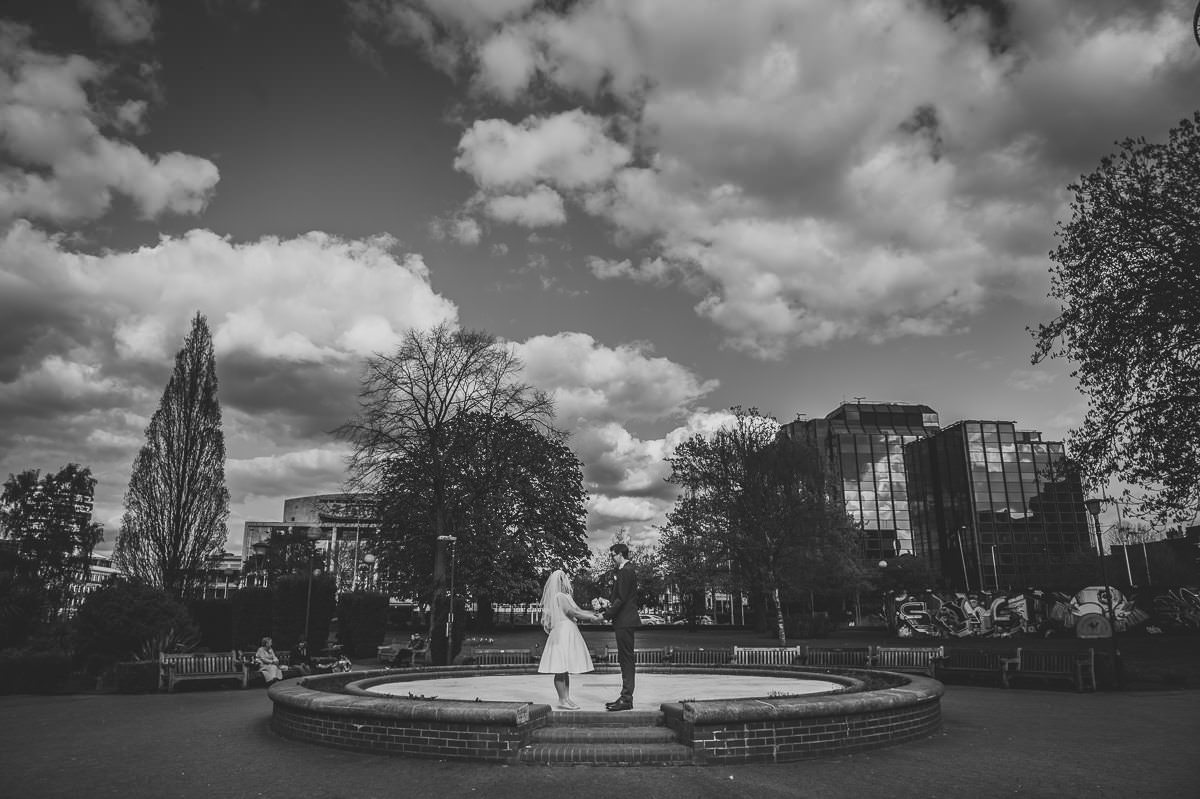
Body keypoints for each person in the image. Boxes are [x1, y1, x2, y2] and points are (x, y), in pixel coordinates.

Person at [537, 569, 603, 710]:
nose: (568, 581)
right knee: (560, 668)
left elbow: (579, 610)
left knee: (565, 669)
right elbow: (572, 612)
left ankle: (566, 698)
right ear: (561, 582)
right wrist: (591, 617)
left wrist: (596, 613)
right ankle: (562, 699)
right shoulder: (560, 596)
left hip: (569, 631)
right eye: (566, 579)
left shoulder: (566, 596)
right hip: (562, 633)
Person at [602, 543, 638, 711]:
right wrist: (606, 604)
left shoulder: (625, 571)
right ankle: (625, 697)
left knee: (626, 659)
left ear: (619, 554)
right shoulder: (626, 570)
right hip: (624, 621)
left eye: (612, 555)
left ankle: (626, 699)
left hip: (624, 621)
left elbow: (621, 599)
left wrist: (605, 614)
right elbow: (619, 597)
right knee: (625, 659)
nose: (612, 558)